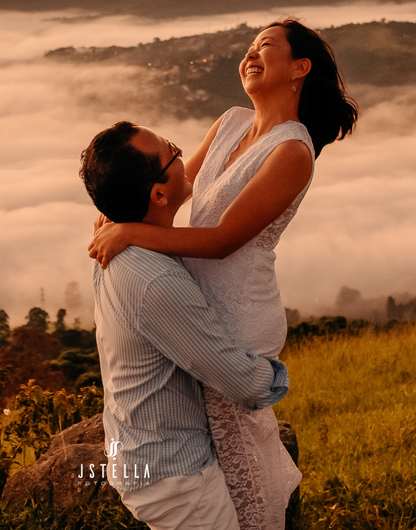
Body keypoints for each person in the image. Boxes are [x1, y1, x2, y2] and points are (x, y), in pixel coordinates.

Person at [88, 19, 358, 530]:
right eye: (250, 46)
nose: (252, 54)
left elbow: (222, 241)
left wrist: (130, 234)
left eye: (267, 48)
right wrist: (119, 209)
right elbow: (172, 185)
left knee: (243, 467)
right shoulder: (231, 119)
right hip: (191, 302)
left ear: (299, 69)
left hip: (238, 313)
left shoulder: (292, 152)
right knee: (211, 455)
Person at [79, 120, 290, 530]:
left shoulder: (119, 237)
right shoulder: (154, 279)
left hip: (137, 456)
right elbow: (243, 383)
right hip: (173, 478)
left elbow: (166, 184)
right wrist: (276, 374)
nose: (183, 155)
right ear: (158, 194)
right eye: (173, 149)